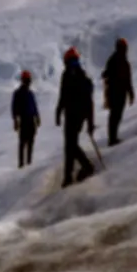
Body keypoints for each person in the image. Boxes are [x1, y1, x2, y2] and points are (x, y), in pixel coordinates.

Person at [54, 47, 97, 187]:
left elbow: (63, 96)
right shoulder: (82, 76)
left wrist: (58, 112)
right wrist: (90, 122)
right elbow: (89, 102)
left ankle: (85, 167)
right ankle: (68, 176)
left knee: (70, 145)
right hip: (79, 116)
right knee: (70, 144)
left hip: (72, 116)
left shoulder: (68, 75)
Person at [100, 38, 135, 147]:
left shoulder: (119, 61)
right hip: (116, 92)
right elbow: (126, 79)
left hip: (118, 92)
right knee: (115, 115)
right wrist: (130, 92)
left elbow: (127, 79)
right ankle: (112, 138)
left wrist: (130, 92)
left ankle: (113, 137)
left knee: (116, 115)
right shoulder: (117, 61)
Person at [11, 70, 41, 168]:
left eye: (29, 80)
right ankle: (22, 164)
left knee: (30, 142)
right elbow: (14, 108)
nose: (28, 82)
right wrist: (15, 120)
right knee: (23, 142)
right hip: (23, 120)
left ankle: (28, 163)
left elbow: (34, 107)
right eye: (27, 80)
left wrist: (37, 117)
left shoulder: (30, 93)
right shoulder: (18, 93)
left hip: (30, 120)